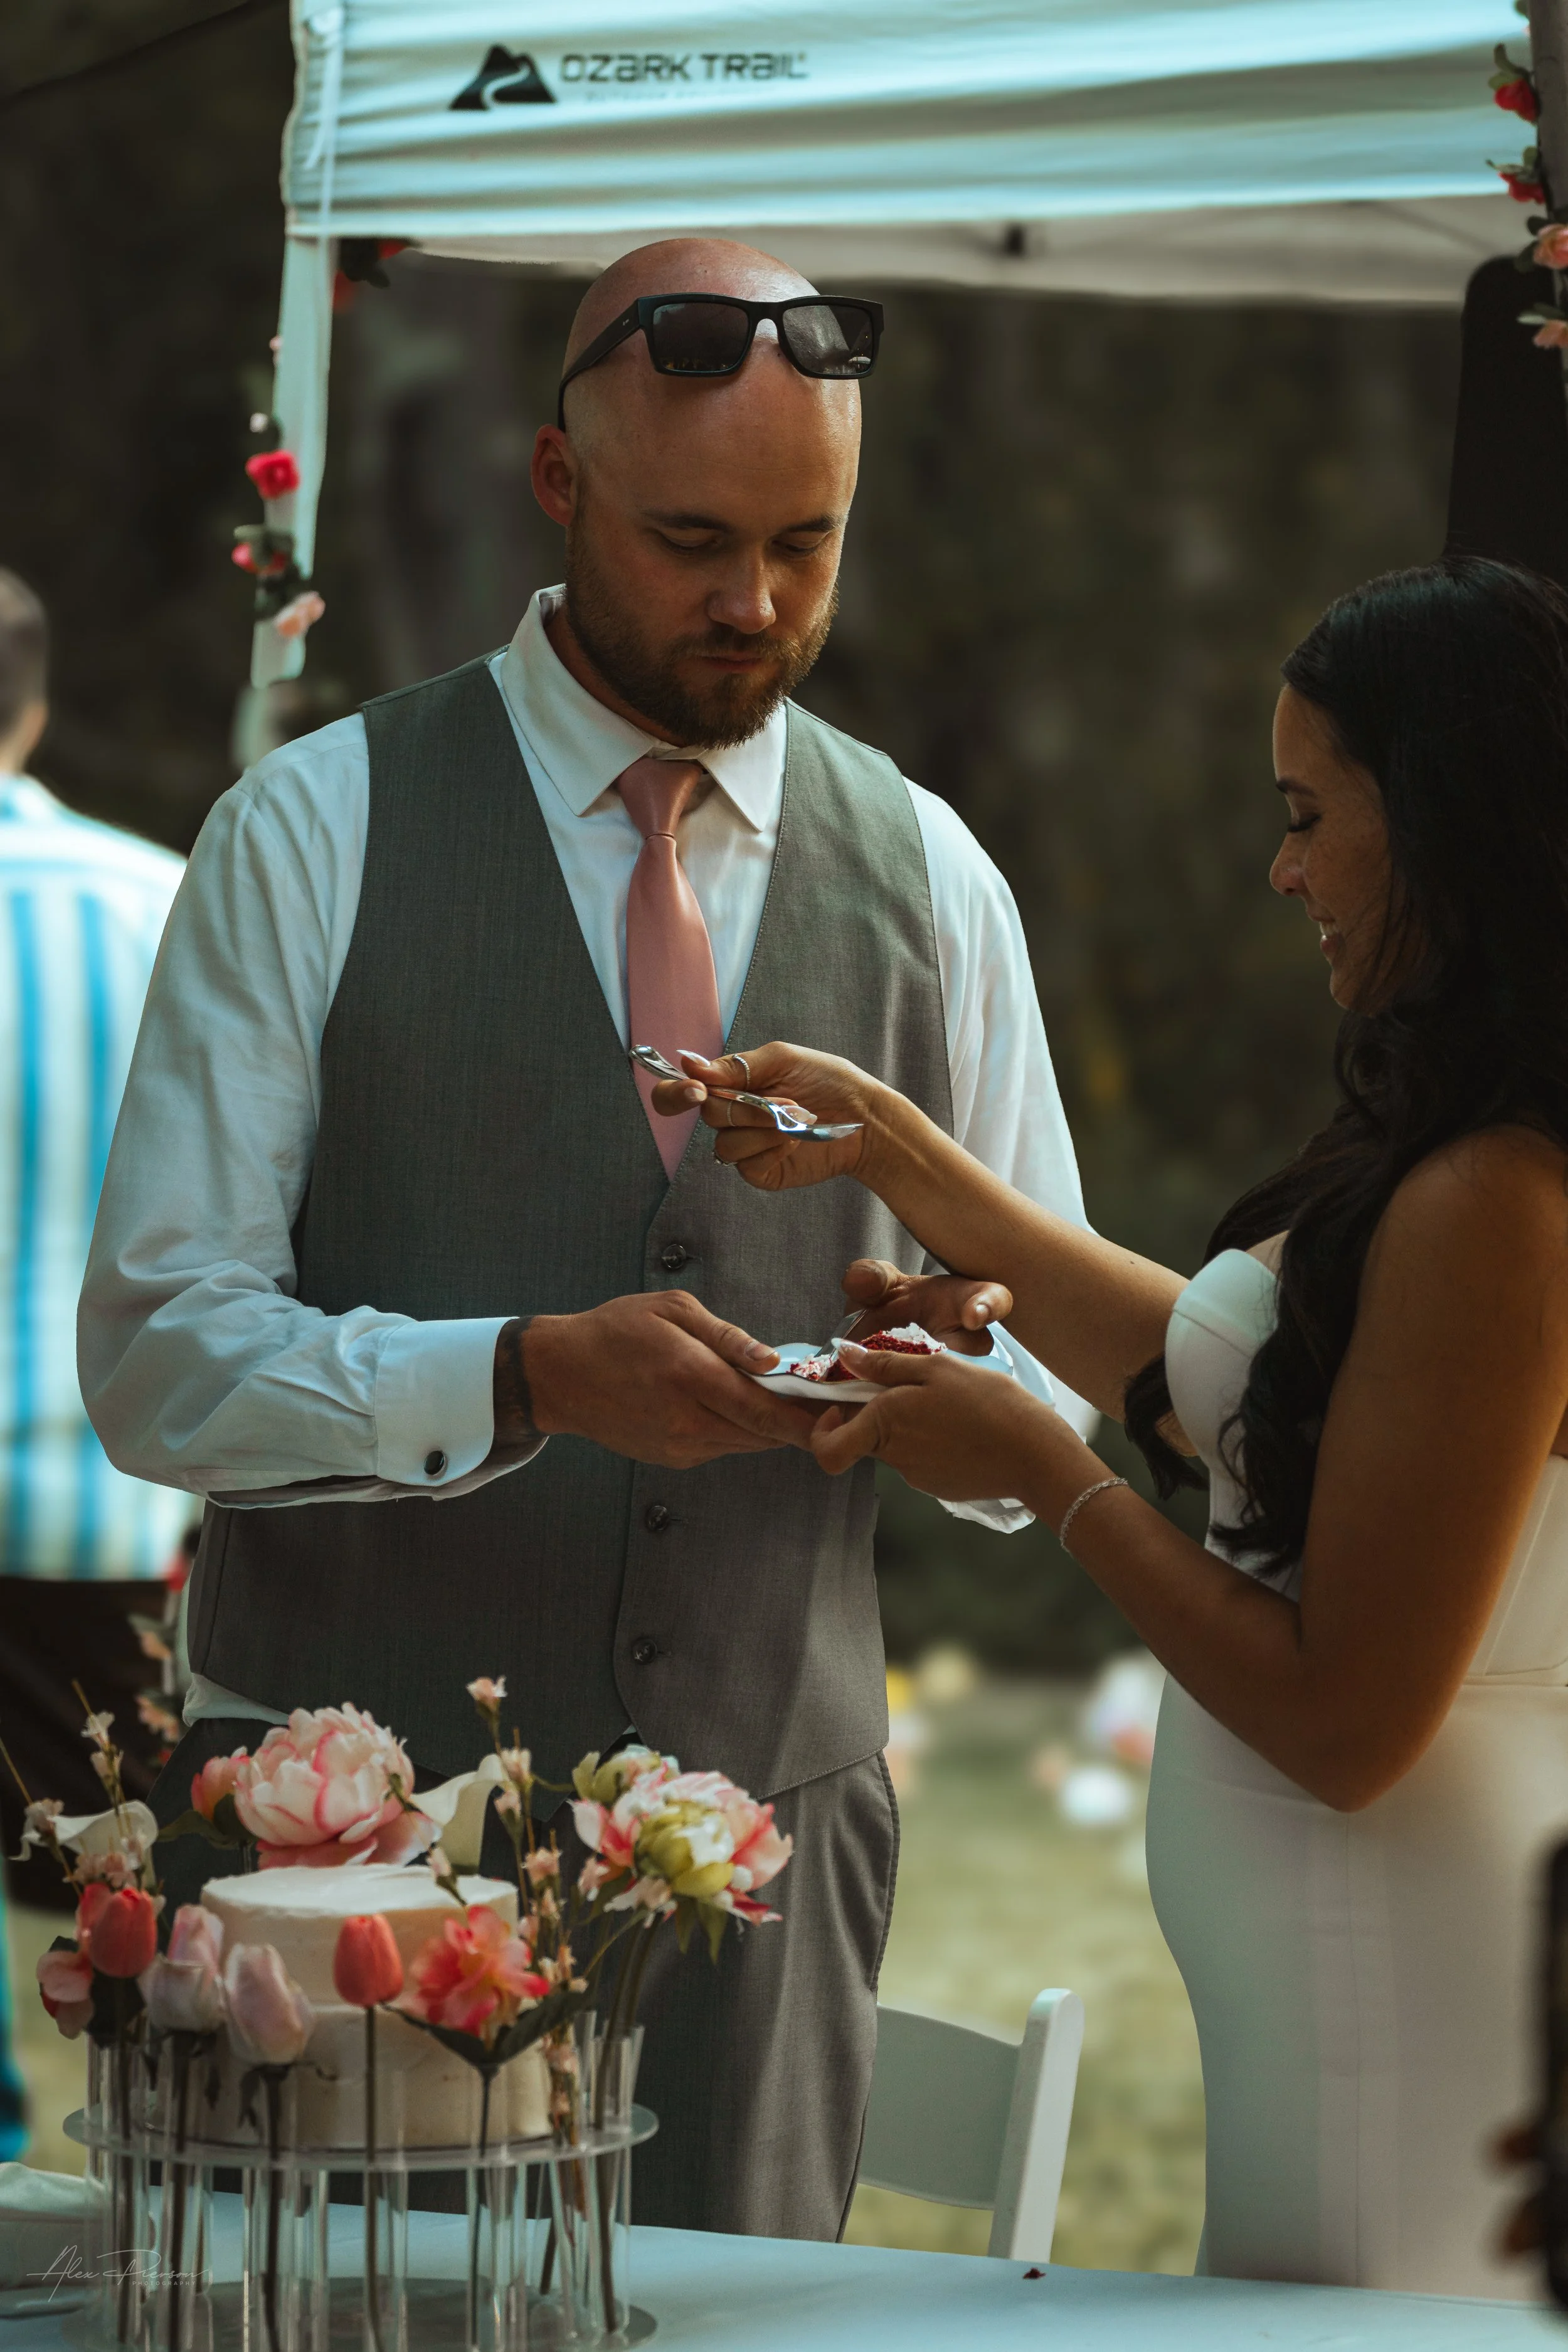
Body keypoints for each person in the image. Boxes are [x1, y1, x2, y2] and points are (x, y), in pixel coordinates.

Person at [78, 238, 1092, 2238]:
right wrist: (521, 1371)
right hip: (338, 1879)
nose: (755, 603)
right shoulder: (312, 832)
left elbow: (1050, 1381)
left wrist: (947, 1380)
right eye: (691, 537)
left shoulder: (936, 878)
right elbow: (158, 1357)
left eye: (808, 541)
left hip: (764, 1883)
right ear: (555, 481)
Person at [652, 556, 1568, 2295]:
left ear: (1444, 816)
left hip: (1400, 1958)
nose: (1282, 866)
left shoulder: (1497, 1196)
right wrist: (889, 1149)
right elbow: (1234, 1373)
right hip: (1339, 1960)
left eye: (1309, 814)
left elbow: (1350, 1716)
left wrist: (1039, 1465)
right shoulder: (1448, 1136)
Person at [0, 568, 190, 2159]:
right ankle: (153, 2189)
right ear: (36, 706)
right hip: (107, 1494)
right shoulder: (153, 902)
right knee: (129, 1895)